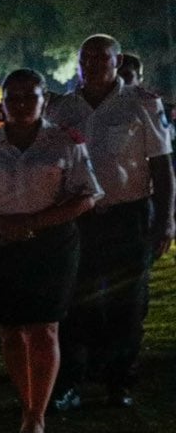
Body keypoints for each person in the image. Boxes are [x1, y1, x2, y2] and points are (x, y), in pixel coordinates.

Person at [0, 70, 102, 433]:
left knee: (44, 327)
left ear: (44, 100)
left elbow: (87, 194)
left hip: (50, 245)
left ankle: (36, 415)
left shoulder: (65, 142)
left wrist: (35, 222)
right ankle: (26, 401)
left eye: (29, 97)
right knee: (10, 329)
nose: (21, 105)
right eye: (13, 98)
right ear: (2, 103)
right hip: (0, 244)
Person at [48, 35, 173, 410]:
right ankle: (71, 381)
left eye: (102, 57)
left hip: (127, 216)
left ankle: (120, 380)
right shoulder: (63, 108)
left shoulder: (142, 103)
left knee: (127, 303)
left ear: (117, 61)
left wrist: (165, 220)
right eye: (86, 57)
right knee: (73, 300)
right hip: (77, 217)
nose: (93, 64)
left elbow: (162, 167)